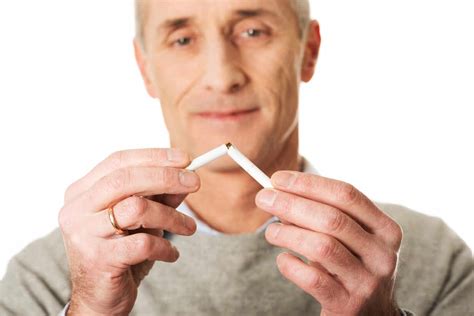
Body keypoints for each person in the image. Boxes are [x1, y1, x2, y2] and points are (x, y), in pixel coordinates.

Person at [0, 0, 472, 315]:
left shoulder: (429, 259)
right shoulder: (49, 278)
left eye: (252, 30)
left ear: (308, 51)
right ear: (146, 69)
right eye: (182, 39)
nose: (221, 76)